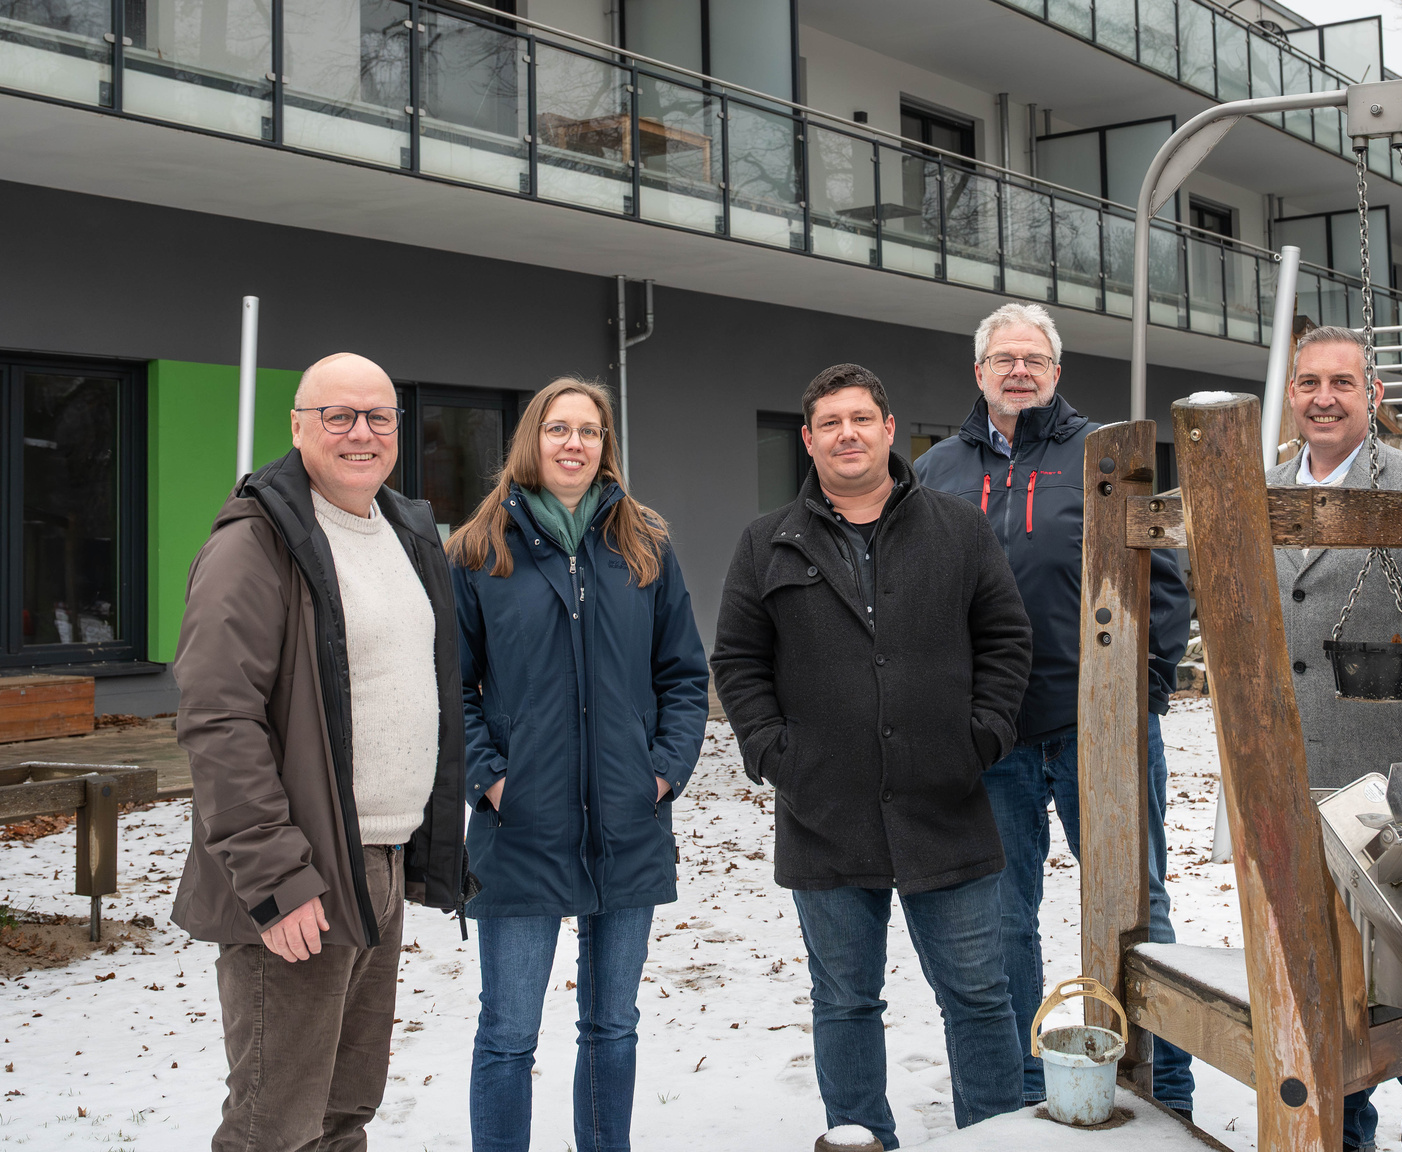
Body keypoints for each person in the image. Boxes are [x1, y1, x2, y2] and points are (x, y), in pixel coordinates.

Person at [712, 363, 1032, 1152]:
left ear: (891, 430)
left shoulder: (959, 528)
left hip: (947, 803)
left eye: (861, 418)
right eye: (830, 422)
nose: (847, 434)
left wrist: (983, 736)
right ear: (808, 440)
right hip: (825, 811)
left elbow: (1006, 640)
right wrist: (774, 753)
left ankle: (991, 1138)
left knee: (980, 996)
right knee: (846, 999)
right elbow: (738, 662)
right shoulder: (767, 543)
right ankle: (861, 1140)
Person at [170, 352, 469, 1152]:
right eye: (337, 416)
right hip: (301, 871)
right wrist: (276, 879)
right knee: (277, 1126)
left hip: (382, 859)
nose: (360, 433)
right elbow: (218, 718)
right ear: (298, 427)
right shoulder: (257, 543)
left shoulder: (405, 531)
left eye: (377, 416)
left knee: (344, 1113)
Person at [913, 302, 1195, 1116]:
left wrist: (1137, 693)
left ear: (1056, 371)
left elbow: (1165, 582)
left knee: (1137, 910)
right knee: (1003, 919)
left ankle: (1161, 1084)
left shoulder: (1104, 455)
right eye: (1002, 358)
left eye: (1033, 359)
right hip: (991, 735)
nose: (1018, 371)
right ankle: (1027, 1085)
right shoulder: (937, 474)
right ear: (978, 373)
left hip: (1096, 725)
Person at [447, 377, 709, 1152]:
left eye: (589, 431)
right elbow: (450, 689)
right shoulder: (477, 549)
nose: (574, 444)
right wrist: (492, 779)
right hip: (521, 824)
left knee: (612, 1027)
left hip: (628, 821)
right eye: (558, 428)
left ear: (606, 446)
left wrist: (661, 772)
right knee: (507, 1034)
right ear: (532, 439)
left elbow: (685, 676)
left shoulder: (644, 546)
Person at [1264, 325, 1402, 1152]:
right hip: (1293, 774)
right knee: (1320, 977)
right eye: (1310, 382)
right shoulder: (1259, 489)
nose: (1325, 398)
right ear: (1292, 393)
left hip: (1401, 781)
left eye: (1343, 384)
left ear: (1375, 397)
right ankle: (1341, 1130)